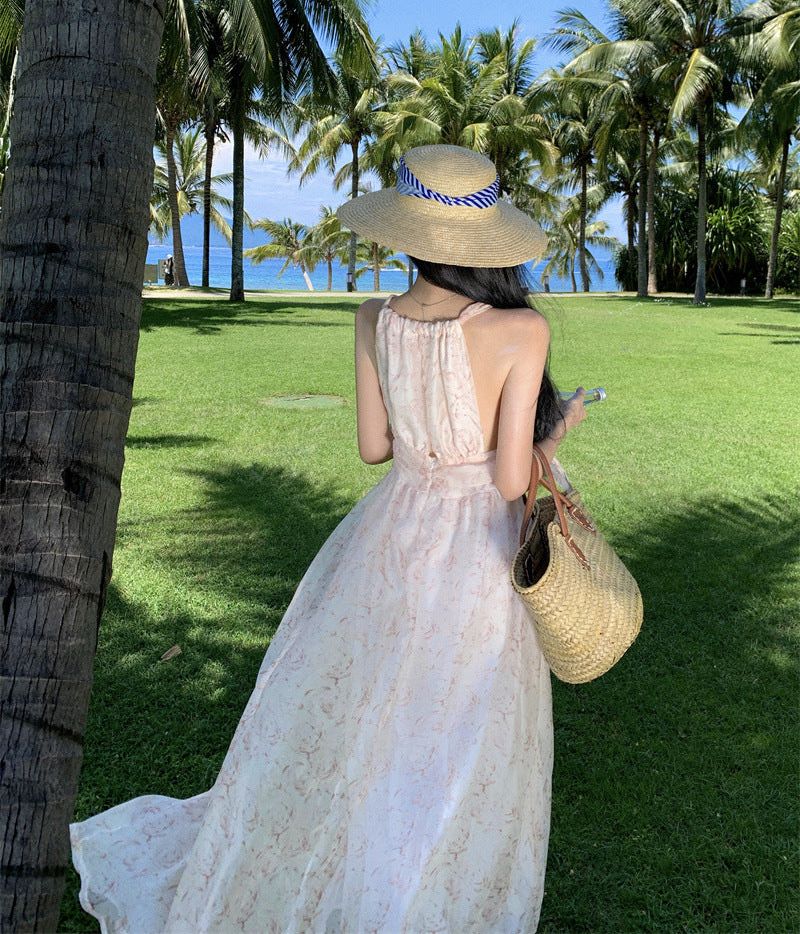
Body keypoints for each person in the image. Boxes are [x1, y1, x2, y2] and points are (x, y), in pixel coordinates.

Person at [70, 145, 587, 933]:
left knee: (376, 713)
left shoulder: (374, 316)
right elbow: (513, 482)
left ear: (406, 229)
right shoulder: (521, 328)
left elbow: (375, 447)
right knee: (457, 726)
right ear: (488, 240)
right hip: (475, 548)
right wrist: (563, 428)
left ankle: (361, 871)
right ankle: (416, 886)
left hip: (392, 534)